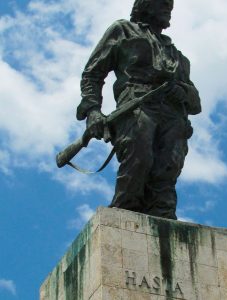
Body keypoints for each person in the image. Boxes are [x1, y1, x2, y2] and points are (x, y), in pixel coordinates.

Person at [76, 0, 201, 220]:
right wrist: (93, 110)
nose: (167, 9)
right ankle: (125, 213)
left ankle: (163, 216)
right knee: (139, 158)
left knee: (168, 167)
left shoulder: (178, 57)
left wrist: (181, 91)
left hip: (173, 115)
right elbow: (92, 73)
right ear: (146, 5)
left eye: (169, 6)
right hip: (136, 105)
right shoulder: (122, 31)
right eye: (162, 4)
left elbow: (195, 103)